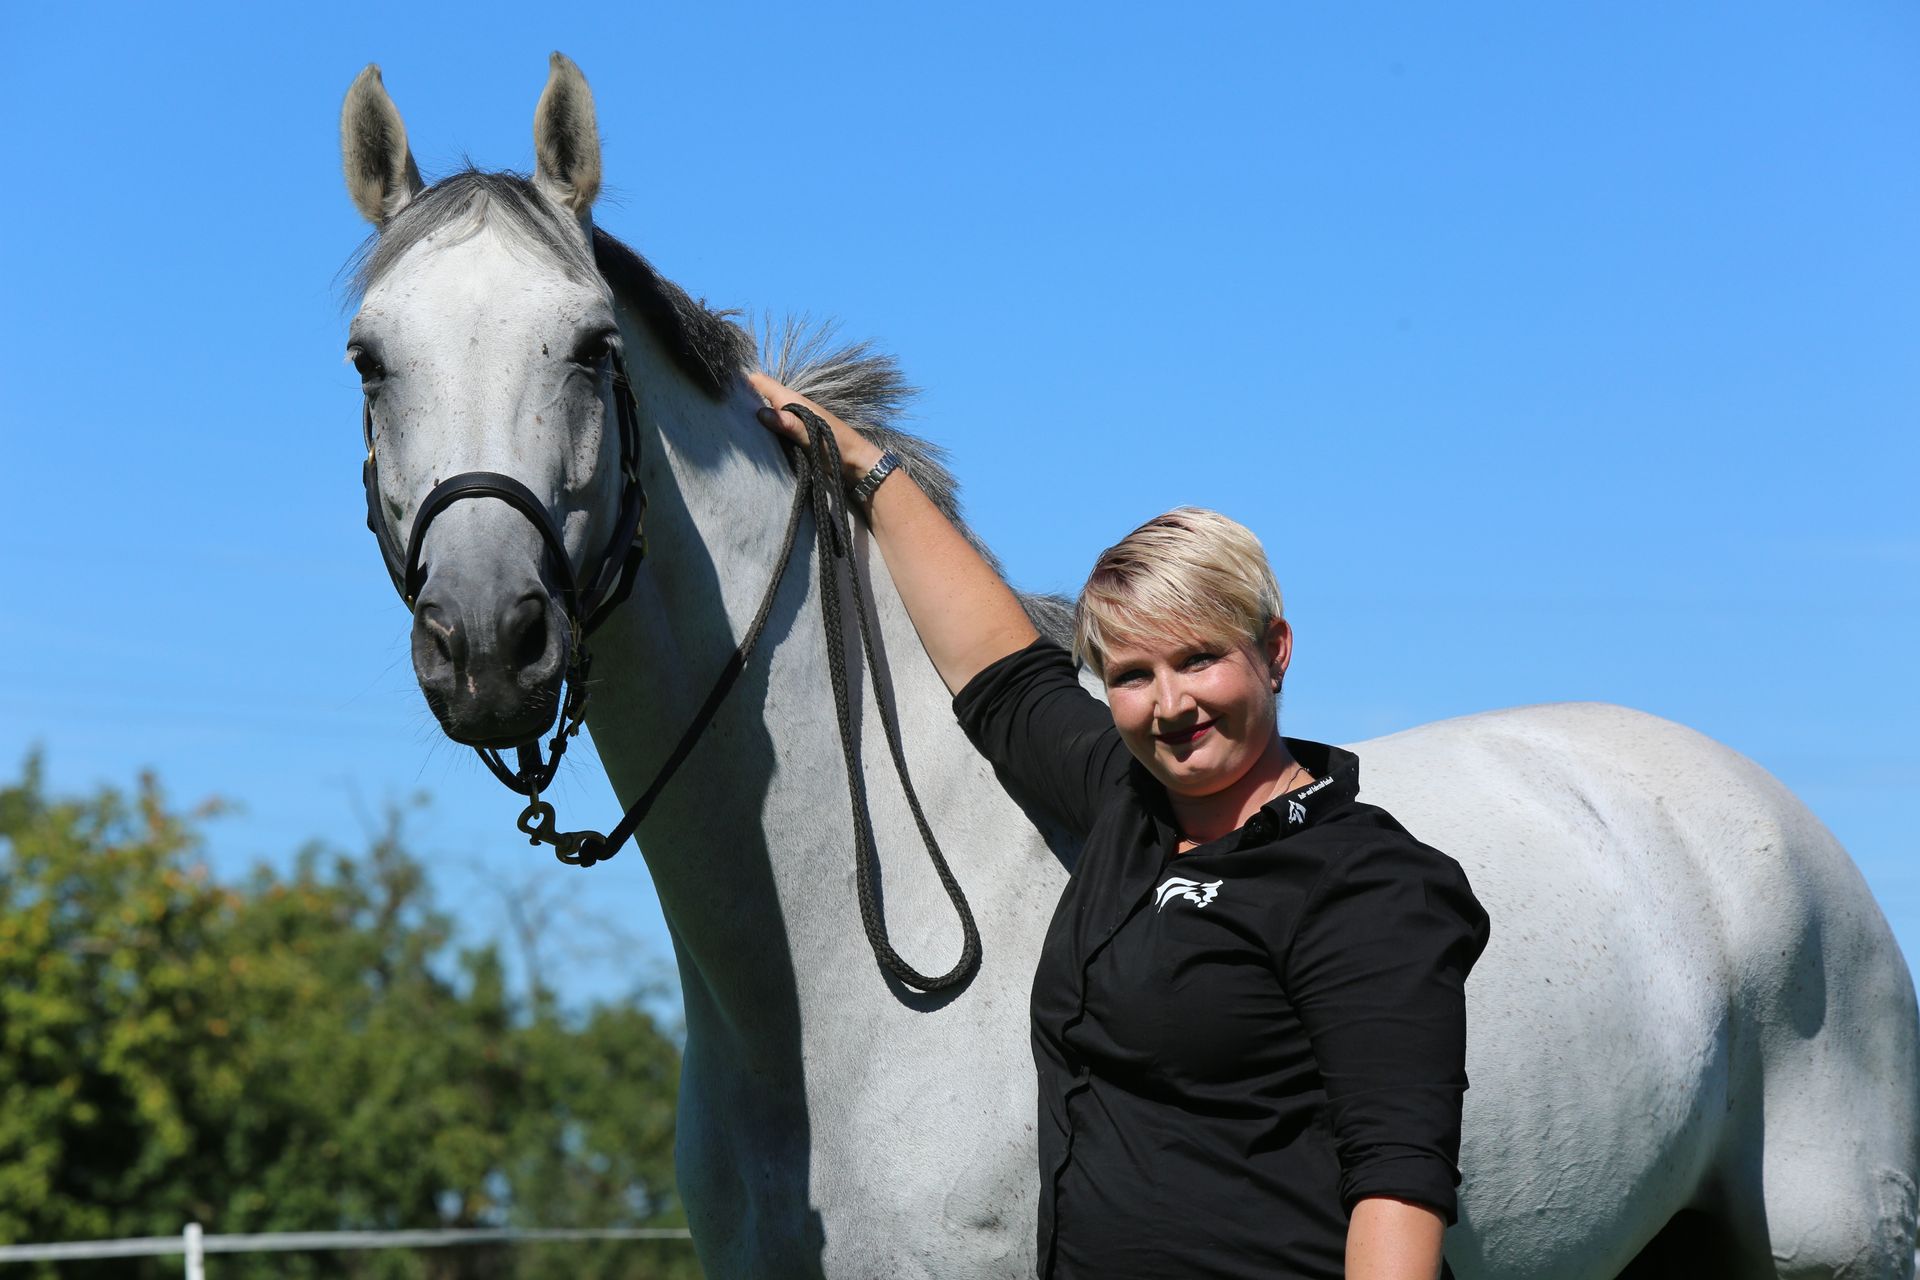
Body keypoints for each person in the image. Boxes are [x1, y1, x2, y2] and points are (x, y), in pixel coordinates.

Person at [750, 373, 1491, 1280]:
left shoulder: (1364, 880)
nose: (1171, 704)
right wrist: (867, 464)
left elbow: (1398, 1181)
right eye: (1133, 674)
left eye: (1200, 659)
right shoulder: (1127, 802)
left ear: (1275, 652)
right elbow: (1003, 673)